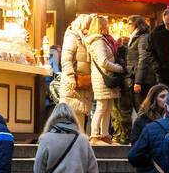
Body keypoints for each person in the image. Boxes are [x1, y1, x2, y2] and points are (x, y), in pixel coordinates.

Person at [85, 15, 124, 143]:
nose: (108, 27)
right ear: (101, 26)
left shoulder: (102, 40)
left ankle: (105, 134)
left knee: (107, 107)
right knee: (102, 106)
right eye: (106, 24)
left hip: (104, 76)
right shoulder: (98, 41)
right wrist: (119, 68)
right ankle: (95, 134)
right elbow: (103, 61)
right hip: (103, 77)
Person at [60, 14, 95, 120]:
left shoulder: (85, 39)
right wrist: (71, 77)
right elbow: (66, 59)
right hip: (74, 84)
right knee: (72, 117)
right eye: (89, 25)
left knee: (80, 118)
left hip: (83, 84)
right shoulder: (72, 36)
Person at [125, 15, 152, 103]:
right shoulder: (135, 37)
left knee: (142, 108)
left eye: (129, 24)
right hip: (136, 76)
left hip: (143, 80)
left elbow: (143, 59)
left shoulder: (142, 38)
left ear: (137, 25)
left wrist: (138, 81)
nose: (127, 26)